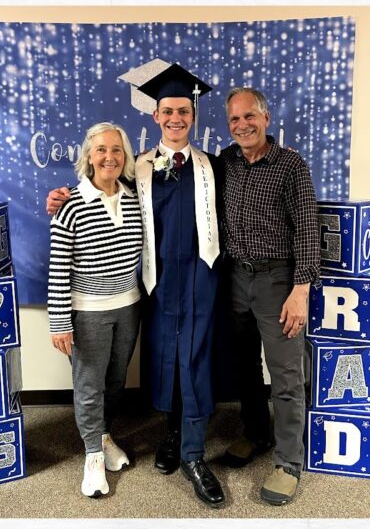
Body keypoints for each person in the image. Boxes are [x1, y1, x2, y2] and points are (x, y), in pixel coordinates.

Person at [47, 63, 227, 507]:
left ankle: (193, 454)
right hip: (157, 285)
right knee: (164, 359)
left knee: (197, 360)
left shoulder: (214, 166)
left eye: (184, 111)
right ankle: (169, 437)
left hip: (201, 282)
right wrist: (61, 196)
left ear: (194, 115)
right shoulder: (138, 170)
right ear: (156, 117)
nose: (176, 119)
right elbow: (99, 186)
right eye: (168, 111)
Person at [220, 87, 319, 506]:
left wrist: (300, 291)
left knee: (285, 374)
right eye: (234, 120)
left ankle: (289, 462)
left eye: (249, 117)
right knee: (244, 368)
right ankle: (255, 434)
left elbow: (308, 230)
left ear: (265, 117)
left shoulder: (291, 165)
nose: (242, 125)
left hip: (278, 279)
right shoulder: (225, 162)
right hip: (235, 277)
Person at [48, 122, 141, 498]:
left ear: (125, 156)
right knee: (89, 387)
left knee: (115, 381)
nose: (109, 157)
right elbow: (58, 268)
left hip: (128, 306)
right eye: (101, 150)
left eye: (116, 150)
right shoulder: (68, 203)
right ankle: (91, 457)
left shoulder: (134, 197)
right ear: (88, 156)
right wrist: (58, 321)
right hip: (87, 312)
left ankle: (102, 436)